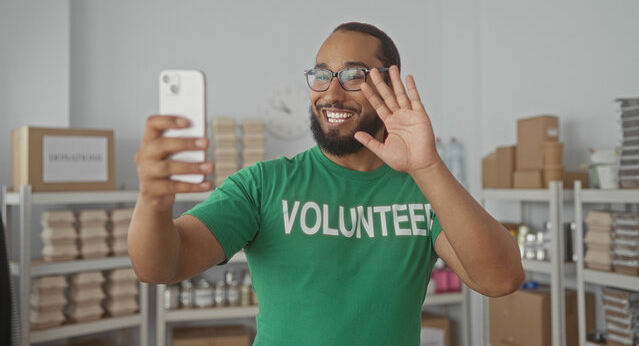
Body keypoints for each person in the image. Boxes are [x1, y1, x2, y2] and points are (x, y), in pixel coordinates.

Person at [129, 22, 524, 345]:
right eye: (321, 75)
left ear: (390, 83)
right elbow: (161, 266)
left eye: (353, 76)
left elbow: (501, 279)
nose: (331, 93)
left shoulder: (423, 189)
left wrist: (427, 165)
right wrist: (152, 203)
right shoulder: (263, 184)